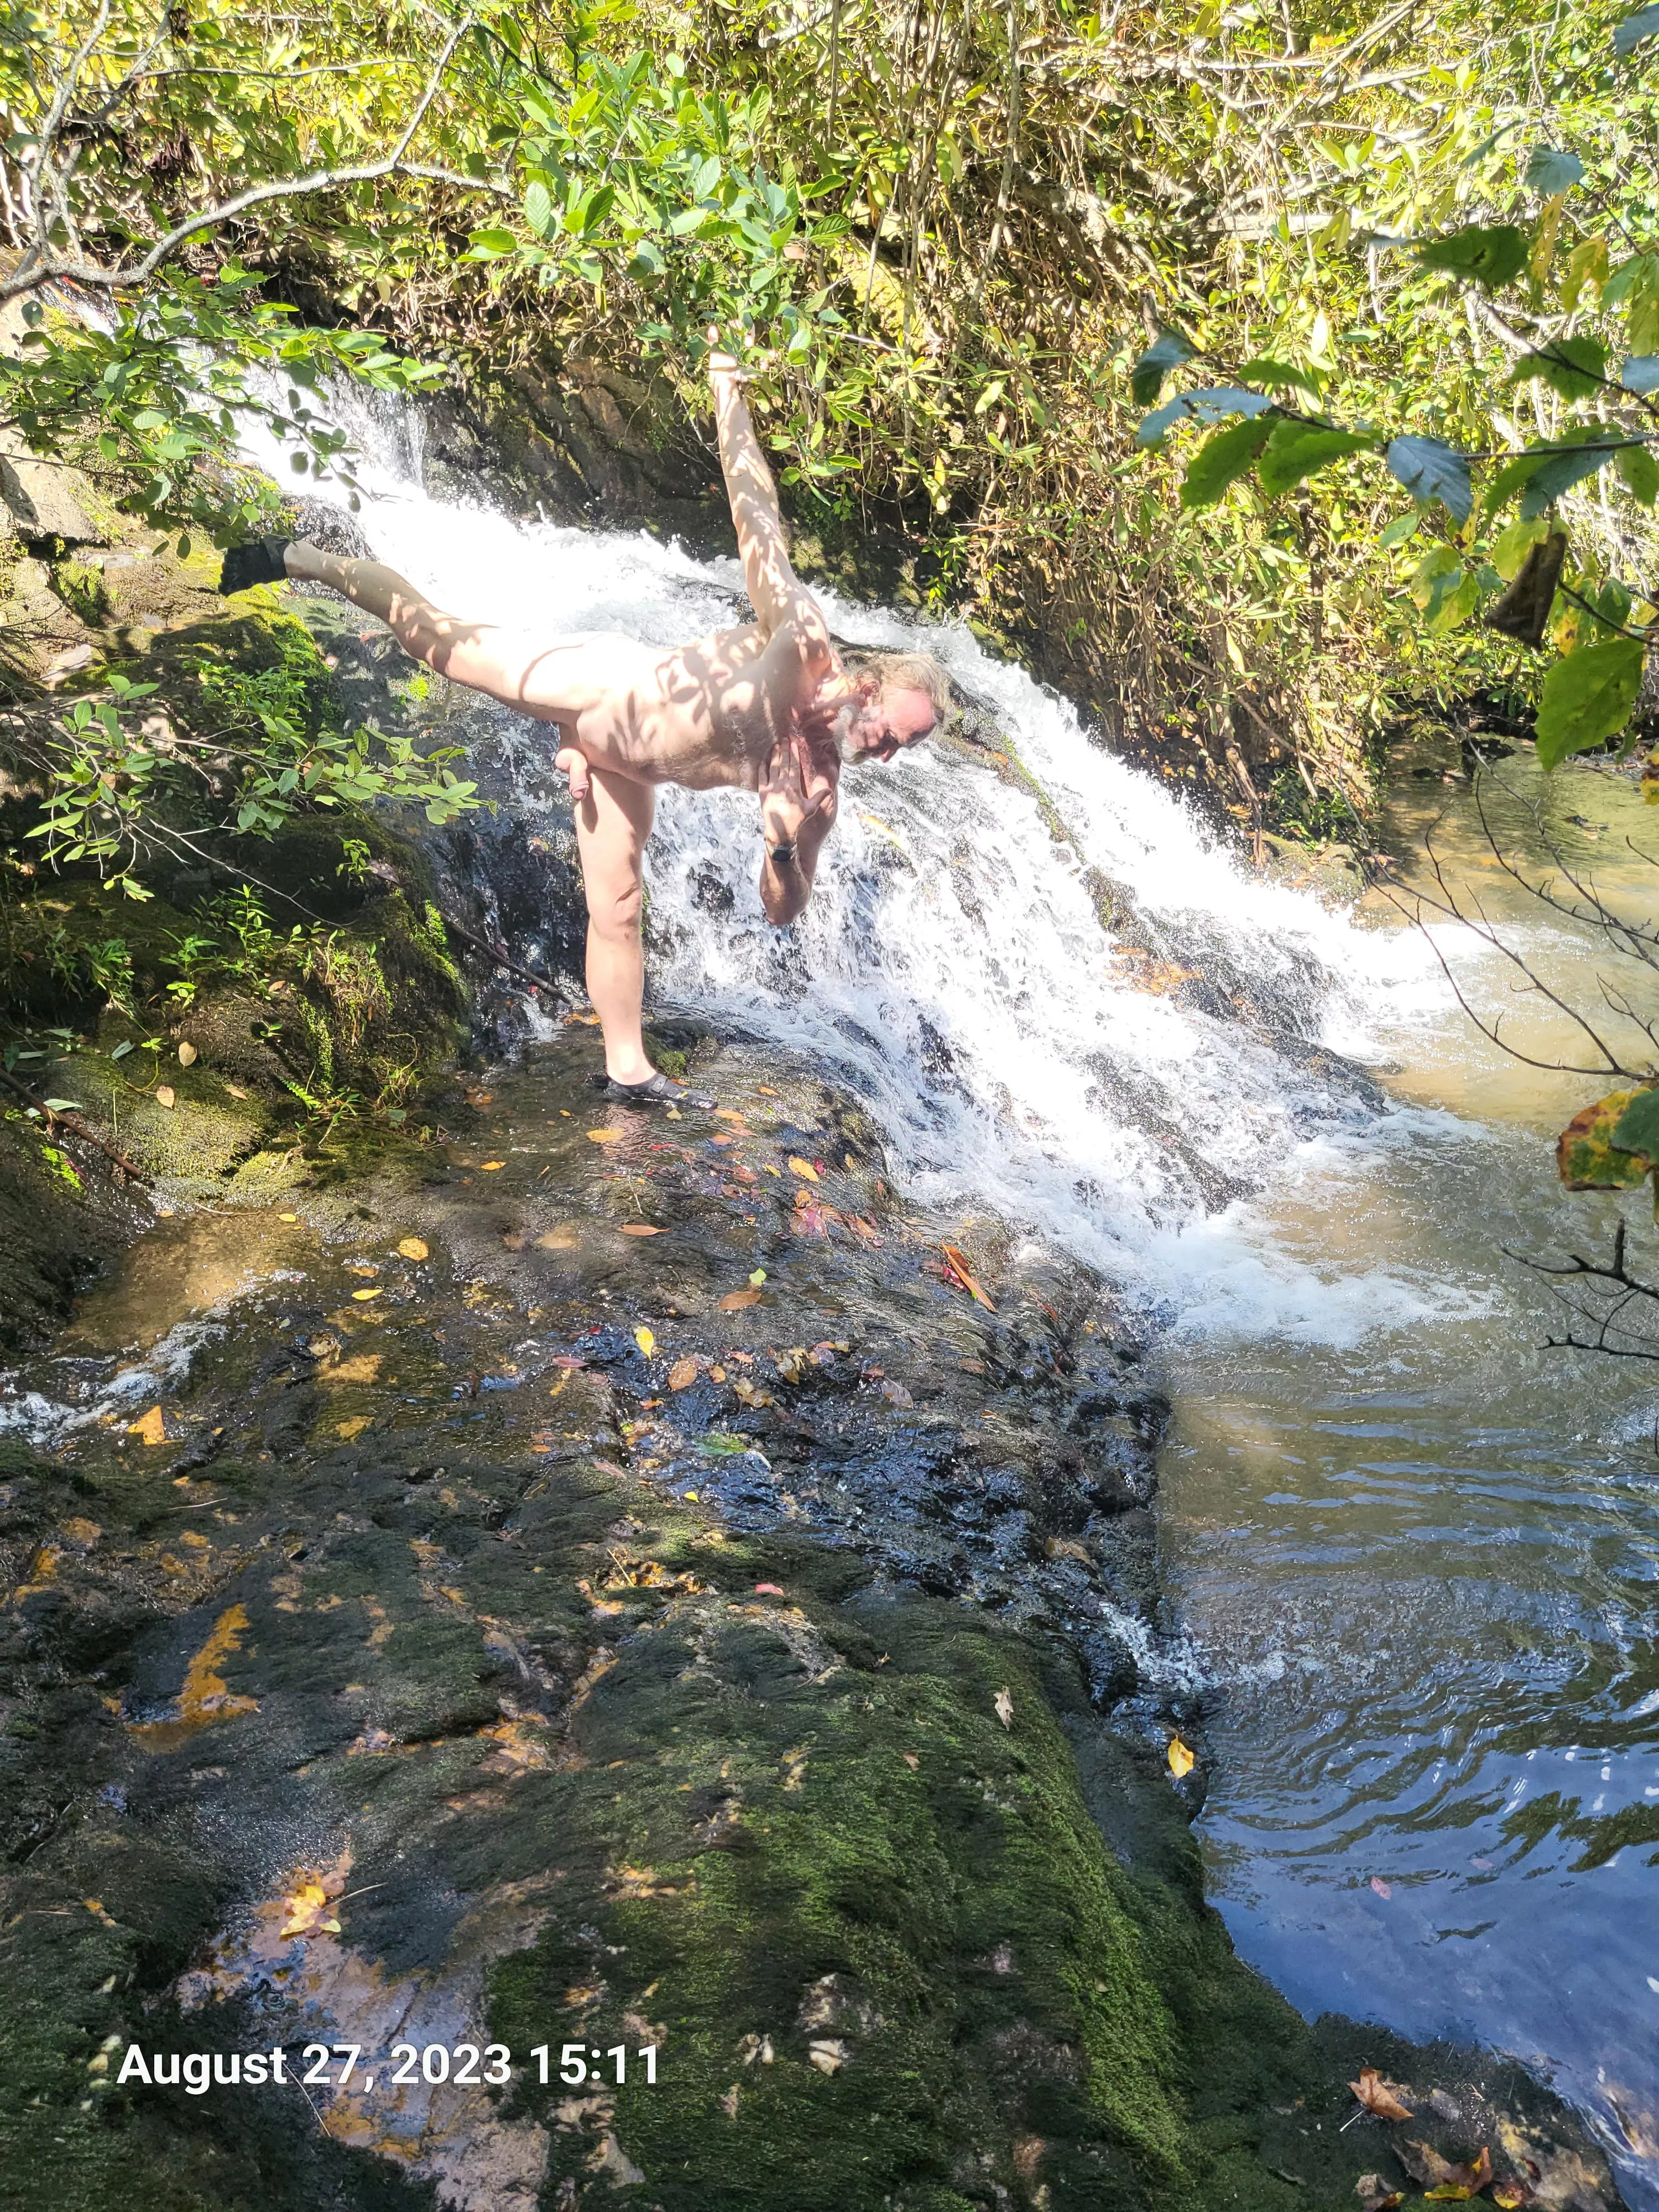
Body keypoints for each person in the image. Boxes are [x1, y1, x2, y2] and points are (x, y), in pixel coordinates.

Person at [218, 336, 951, 1108]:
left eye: (905, 748)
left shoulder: (818, 788)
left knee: (621, 906)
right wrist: (727, 386)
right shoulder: (800, 642)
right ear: (868, 688)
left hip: (630, 767)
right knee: (432, 638)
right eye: (897, 735)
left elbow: (781, 912)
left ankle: (626, 1068)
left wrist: (781, 844)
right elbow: (757, 520)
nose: (891, 756)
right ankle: (299, 557)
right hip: (603, 685)